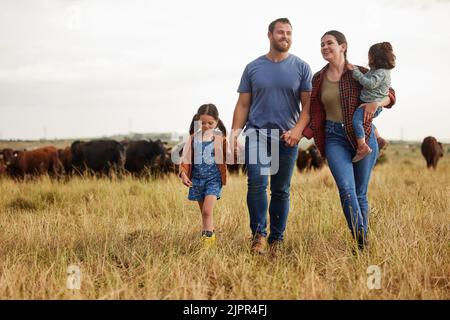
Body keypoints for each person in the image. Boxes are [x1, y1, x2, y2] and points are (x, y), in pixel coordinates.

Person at [302, 30, 396, 250]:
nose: (325, 47)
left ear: (343, 46)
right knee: (346, 189)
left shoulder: (361, 73)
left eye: (330, 43)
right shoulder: (317, 78)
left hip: (362, 136)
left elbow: (390, 94)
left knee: (360, 193)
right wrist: (300, 133)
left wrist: (377, 104)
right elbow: (312, 112)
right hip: (334, 137)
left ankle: (362, 247)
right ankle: (361, 238)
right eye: (322, 44)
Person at [231, 18, 312, 255]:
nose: (285, 36)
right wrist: (234, 136)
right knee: (256, 181)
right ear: (269, 35)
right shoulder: (253, 67)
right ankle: (258, 237)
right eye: (280, 32)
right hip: (256, 133)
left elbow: (307, 107)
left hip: (287, 138)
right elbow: (243, 105)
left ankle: (277, 239)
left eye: (288, 33)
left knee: (280, 190)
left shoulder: (302, 67)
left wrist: (297, 132)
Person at [179, 104, 229, 248]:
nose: (206, 126)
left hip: (214, 179)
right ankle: (210, 236)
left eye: (210, 123)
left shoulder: (220, 139)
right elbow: (186, 158)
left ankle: (206, 247)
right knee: (205, 214)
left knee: (207, 211)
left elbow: (232, 155)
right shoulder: (193, 139)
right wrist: (183, 173)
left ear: (217, 122)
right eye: (203, 123)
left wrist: (238, 150)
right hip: (197, 180)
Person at [347, 42, 396, 162]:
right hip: (368, 102)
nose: (368, 58)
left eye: (369, 56)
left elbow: (370, 84)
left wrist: (356, 73)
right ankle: (379, 138)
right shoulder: (375, 70)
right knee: (364, 122)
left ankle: (362, 147)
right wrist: (356, 69)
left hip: (372, 104)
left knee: (356, 121)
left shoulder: (381, 72)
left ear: (375, 57)